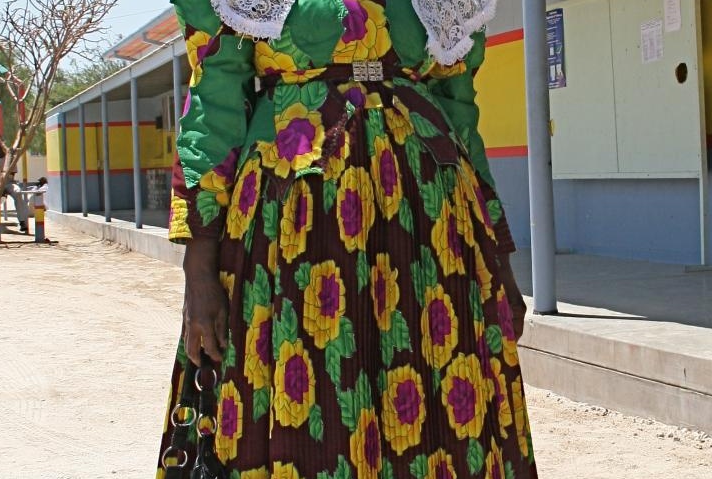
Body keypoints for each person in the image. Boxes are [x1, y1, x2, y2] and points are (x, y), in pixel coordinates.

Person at [159, 1, 538, 478]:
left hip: (431, 231)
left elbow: (459, 108)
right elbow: (213, 101)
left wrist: (499, 260)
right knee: (313, 400)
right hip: (296, 227)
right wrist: (199, 269)